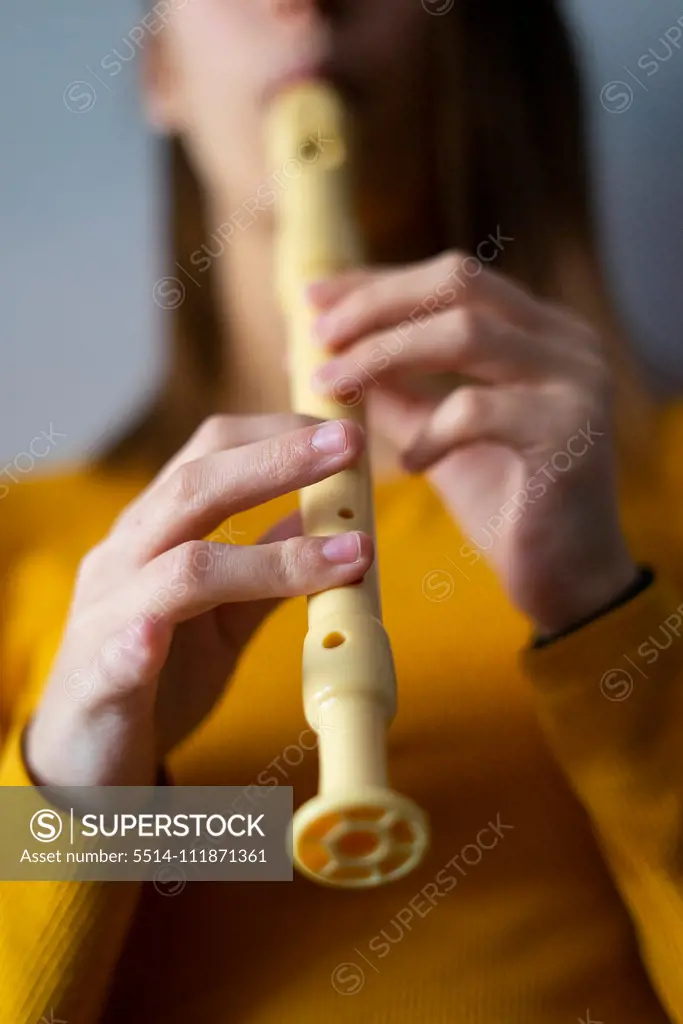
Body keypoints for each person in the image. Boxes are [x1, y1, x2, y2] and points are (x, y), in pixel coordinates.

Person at [1, 1, 682, 1021]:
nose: (304, 3)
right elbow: (256, 851)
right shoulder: (28, 542)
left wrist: (603, 613)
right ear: (160, 71)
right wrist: (86, 802)